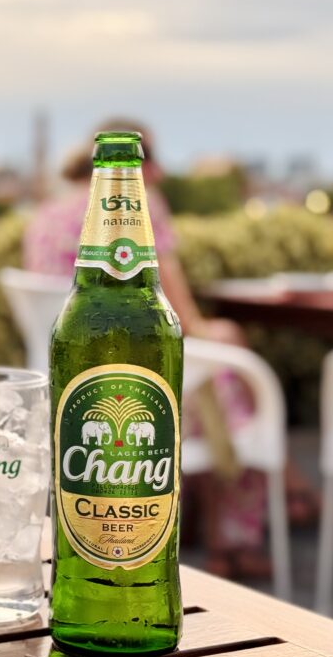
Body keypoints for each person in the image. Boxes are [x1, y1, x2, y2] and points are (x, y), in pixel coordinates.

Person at [24, 118, 273, 579]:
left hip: (72, 395)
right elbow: (181, 314)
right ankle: (233, 539)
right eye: (149, 162)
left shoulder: (44, 215)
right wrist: (217, 332)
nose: (154, 173)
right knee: (233, 384)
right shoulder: (141, 206)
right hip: (133, 375)